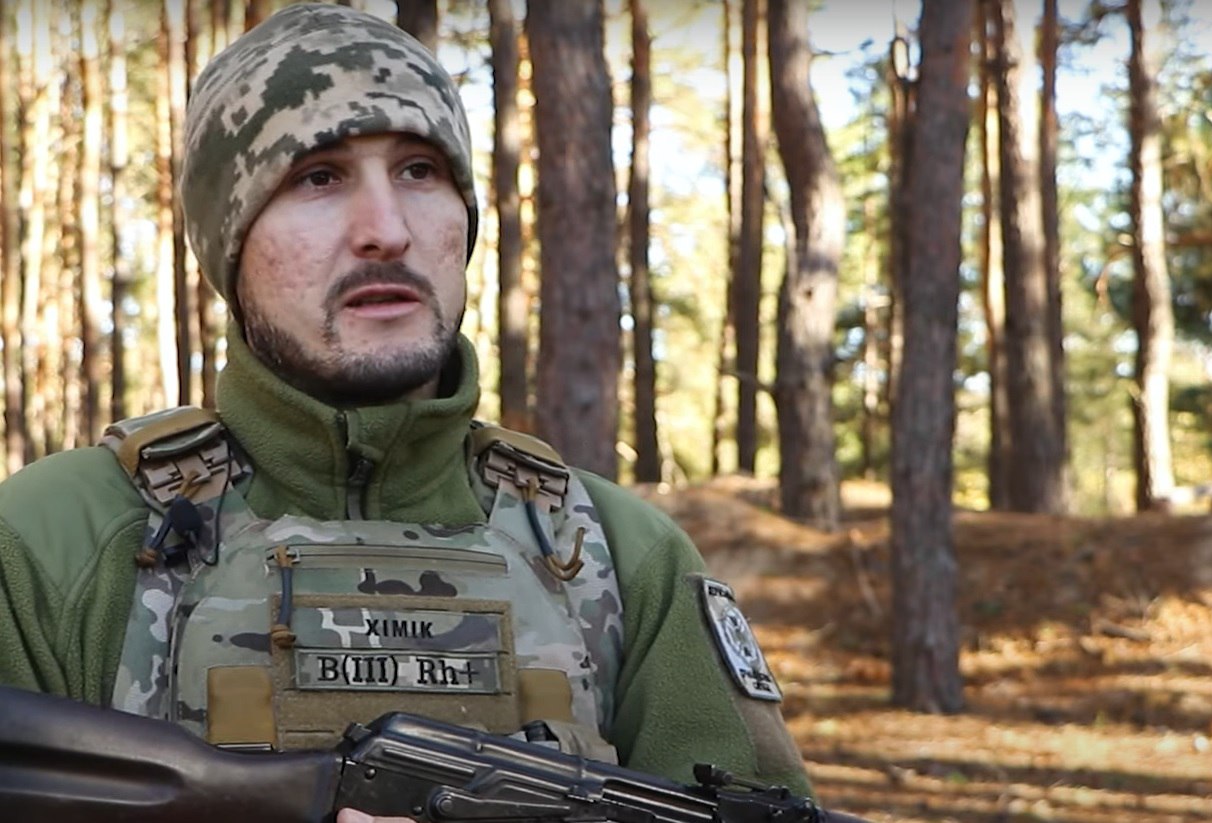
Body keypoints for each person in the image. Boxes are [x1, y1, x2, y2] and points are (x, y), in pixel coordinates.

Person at [0, 5, 810, 821]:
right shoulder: (51, 543)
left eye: (420, 170)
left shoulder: (623, 557)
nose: (385, 231)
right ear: (231, 241)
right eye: (317, 177)